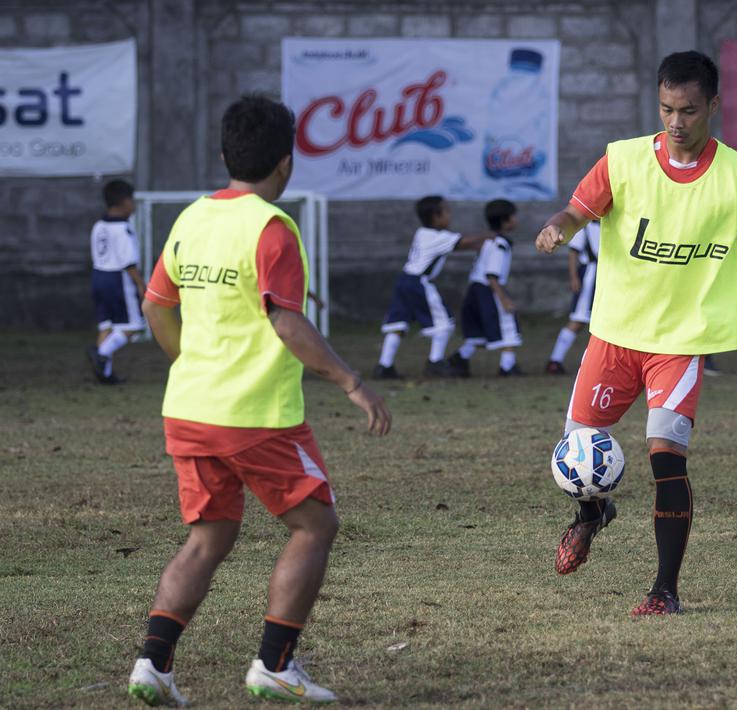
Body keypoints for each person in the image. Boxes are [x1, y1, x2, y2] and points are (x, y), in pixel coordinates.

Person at [129, 95, 392, 707]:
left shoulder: (192, 217)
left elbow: (155, 306)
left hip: (188, 409)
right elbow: (287, 323)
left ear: (225, 156)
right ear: (285, 162)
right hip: (253, 416)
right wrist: (352, 382)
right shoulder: (272, 228)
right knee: (316, 525)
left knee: (209, 538)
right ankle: (274, 666)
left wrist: (190, 364)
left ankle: (152, 664)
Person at [535, 51, 737, 616]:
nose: (675, 121)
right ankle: (592, 512)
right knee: (577, 453)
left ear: (713, 106)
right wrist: (556, 228)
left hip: (682, 341)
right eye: (666, 108)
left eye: (688, 110)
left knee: (667, 458)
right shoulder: (622, 160)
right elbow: (575, 211)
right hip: (615, 333)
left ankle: (664, 590)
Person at [373, 196, 491, 379]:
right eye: (447, 211)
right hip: (418, 283)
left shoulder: (422, 233)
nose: (450, 215)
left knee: (398, 324)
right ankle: (435, 363)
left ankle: (384, 366)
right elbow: (462, 242)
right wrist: (490, 235)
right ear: (436, 216)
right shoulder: (437, 236)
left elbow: (454, 246)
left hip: (404, 281)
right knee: (444, 323)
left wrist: (475, 246)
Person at [449, 199, 524, 376]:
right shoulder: (500, 244)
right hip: (488, 289)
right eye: (514, 216)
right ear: (505, 220)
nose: (516, 219)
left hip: (474, 289)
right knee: (508, 324)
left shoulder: (487, 241)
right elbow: (491, 274)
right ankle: (507, 366)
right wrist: (504, 299)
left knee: (479, 331)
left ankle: (460, 358)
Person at [87, 179, 145, 384]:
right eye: (132, 200)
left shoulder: (99, 225)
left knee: (107, 327)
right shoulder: (122, 228)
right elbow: (129, 262)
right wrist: (140, 284)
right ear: (124, 202)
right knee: (135, 326)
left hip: (98, 276)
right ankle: (101, 354)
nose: (133, 205)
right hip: (117, 279)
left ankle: (104, 374)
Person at [545, 220, 600, 374]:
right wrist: (574, 277)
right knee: (579, 319)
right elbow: (573, 252)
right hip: (590, 275)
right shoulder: (584, 226)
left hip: (607, 275)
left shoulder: (610, 223)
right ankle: (555, 360)